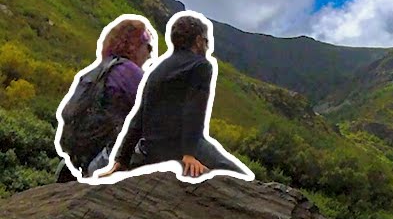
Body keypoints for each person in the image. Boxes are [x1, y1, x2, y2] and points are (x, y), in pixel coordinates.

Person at [99, 12, 250, 180]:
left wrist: (121, 160)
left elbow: (139, 116)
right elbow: (194, 109)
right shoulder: (201, 66)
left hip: (152, 150)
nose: (207, 47)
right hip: (180, 147)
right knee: (239, 176)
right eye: (206, 42)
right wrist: (189, 154)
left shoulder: (157, 70)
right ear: (198, 40)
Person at [55, 16, 155, 181]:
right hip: (110, 158)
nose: (150, 55)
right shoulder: (129, 72)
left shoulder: (96, 72)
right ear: (134, 44)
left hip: (84, 159)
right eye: (148, 47)